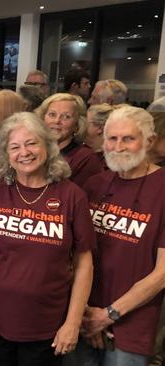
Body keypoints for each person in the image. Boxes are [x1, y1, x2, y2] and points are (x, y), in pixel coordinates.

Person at [0, 112, 95, 366]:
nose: (24, 152)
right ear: (5, 154)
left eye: (31, 143)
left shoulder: (72, 196)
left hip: (47, 328)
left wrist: (72, 322)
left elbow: (84, 263)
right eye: (14, 147)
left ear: (48, 145)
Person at [69, 106, 165, 366]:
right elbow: (75, 254)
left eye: (128, 139)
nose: (118, 146)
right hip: (83, 317)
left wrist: (108, 315)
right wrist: (87, 313)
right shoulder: (94, 185)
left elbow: (162, 274)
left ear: (150, 141)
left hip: (131, 325)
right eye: (112, 138)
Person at [36, 93, 104, 187]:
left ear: (77, 125)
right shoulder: (34, 150)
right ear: (42, 118)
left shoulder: (86, 158)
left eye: (66, 116)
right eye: (52, 114)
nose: (57, 121)